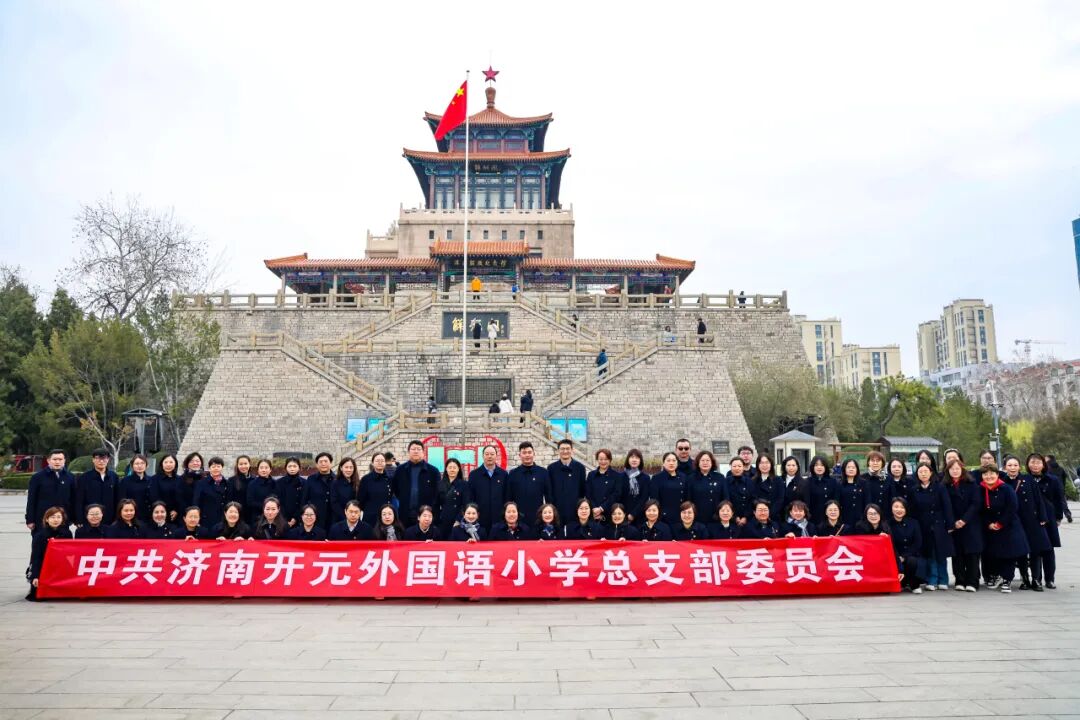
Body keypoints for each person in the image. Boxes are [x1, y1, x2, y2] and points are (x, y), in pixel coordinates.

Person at [1002, 455, 1050, 591]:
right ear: (1005, 467)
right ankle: (1025, 579)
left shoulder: (1028, 479)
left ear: (1020, 467)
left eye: (1015, 465)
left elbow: (1038, 499)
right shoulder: (1003, 482)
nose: (1012, 468)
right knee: (1020, 551)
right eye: (1009, 465)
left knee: (1035, 550)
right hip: (1014, 522)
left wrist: (1043, 517)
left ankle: (1036, 580)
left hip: (1031, 520)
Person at [979, 462, 1029, 593]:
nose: (989, 476)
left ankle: (1007, 579)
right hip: (990, 527)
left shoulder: (1006, 488)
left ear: (997, 474)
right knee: (993, 554)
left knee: (1009, 554)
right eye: (985, 474)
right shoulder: (980, 489)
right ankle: (996, 576)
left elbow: (1012, 507)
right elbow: (980, 509)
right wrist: (988, 523)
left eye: (992, 474)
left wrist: (1000, 523)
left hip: (1008, 526)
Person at [909, 461, 955, 591]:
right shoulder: (914, 489)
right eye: (920, 472)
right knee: (929, 554)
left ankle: (943, 580)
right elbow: (912, 510)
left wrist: (950, 524)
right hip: (923, 525)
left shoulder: (940, 487)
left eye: (925, 471)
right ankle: (932, 580)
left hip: (939, 524)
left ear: (931, 473)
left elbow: (947, 506)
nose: (923, 474)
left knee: (941, 553)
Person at [944, 459, 982, 592]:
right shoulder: (945, 485)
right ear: (948, 471)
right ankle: (959, 580)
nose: (955, 471)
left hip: (970, 522)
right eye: (952, 469)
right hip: (954, 523)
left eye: (957, 468)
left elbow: (976, 503)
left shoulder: (971, 483)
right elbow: (945, 505)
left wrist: (964, 520)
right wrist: (953, 522)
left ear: (962, 469)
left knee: (972, 554)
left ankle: (973, 581)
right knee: (957, 554)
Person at [1029, 453, 1064, 589]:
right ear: (1028, 464)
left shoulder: (1052, 480)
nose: (1035, 465)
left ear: (1043, 464)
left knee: (1049, 549)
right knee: (1035, 550)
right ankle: (1036, 579)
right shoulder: (1025, 479)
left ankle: (1050, 579)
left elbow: (1059, 499)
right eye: (1032, 462)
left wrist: (1058, 517)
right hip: (1032, 519)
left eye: (1038, 462)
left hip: (1049, 517)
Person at [26, 506, 72, 601]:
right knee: (38, 595)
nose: (56, 520)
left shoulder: (67, 534)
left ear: (62, 519)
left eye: (59, 517)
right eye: (52, 517)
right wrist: (35, 576)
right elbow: (36, 558)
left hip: (60, 566)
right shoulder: (40, 535)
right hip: (44, 566)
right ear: (47, 519)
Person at [25, 449, 74, 533]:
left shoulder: (70, 477)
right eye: (54, 459)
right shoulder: (37, 477)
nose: (57, 462)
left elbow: (73, 499)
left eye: (60, 459)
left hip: (63, 520)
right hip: (42, 520)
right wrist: (30, 519)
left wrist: (74, 518)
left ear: (64, 460)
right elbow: (31, 499)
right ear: (48, 460)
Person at [393, 440, 440, 525]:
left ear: (423, 452)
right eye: (413, 449)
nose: (416, 451)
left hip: (425, 515)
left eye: (418, 449)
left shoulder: (433, 471)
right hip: (405, 513)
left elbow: (437, 492)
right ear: (408, 451)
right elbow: (396, 490)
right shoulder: (400, 470)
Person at [507, 442, 550, 526]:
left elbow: (548, 496)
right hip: (518, 518)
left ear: (534, 454)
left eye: (529, 452)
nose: (527, 455)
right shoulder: (513, 474)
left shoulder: (543, 472)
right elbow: (509, 498)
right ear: (519, 455)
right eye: (524, 453)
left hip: (538, 518)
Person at [468, 445, 508, 532]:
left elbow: (506, 497)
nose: (489, 456)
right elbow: (470, 497)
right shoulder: (474, 475)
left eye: (492, 454)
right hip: (480, 520)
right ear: (483, 456)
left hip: (499, 519)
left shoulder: (503, 474)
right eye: (487, 454)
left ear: (496, 456)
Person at [76, 448, 118, 527]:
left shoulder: (113, 477)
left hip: (109, 519)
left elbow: (117, 498)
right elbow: (79, 500)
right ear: (93, 460)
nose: (101, 461)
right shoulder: (84, 477)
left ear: (108, 459)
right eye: (98, 458)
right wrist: (79, 519)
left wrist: (117, 518)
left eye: (104, 458)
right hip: (90, 518)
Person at [889, 498, 924, 593]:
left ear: (906, 509)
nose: (899, 510)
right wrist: (898, 557)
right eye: (896, 507)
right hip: (894, 554)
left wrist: (904, 556)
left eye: (902, 507)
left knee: (912, 561)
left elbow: (918, 543)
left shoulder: (914, 522)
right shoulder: (887, 524)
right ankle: (901, 583)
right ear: (891, 508)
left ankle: (913, 585)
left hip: (910, 554)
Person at [549, 440, 588, 524]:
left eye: (567, 448)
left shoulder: (580, 468)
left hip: (575, 509)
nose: (565, 451)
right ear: (558, 450)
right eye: (562, 449)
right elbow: (550, 490)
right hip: (557, 509)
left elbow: (582, 490)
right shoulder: (551, 468)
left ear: (572, 450)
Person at [688, 450, 726, 525]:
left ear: (712, 462)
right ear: (698, 463)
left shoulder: (720, 477)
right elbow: (689, 499)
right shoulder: (691, 479)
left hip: (716, 518)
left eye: (708, 460)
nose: (705, 463)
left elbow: (725, 498)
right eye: (702, 460)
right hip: (698, 519)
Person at [358, 452, 395, 527]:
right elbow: (360, 499)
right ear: (372, 463)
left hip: (385, 517)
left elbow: (390, 497)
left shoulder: (389, 479)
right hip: (370, 516)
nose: (380, 463)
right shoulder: (366, 479)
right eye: (377, 461)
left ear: (385, 463)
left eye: (382, 461)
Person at [193, 457, 230, 530]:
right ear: (209, 468)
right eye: (213, 466)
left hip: (222, 518)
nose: (216, 468)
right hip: (206, 518)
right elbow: (196, 501)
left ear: (222, 468)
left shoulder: (227, 483)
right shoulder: (201, 483)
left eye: (218, 466)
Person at [585, 449, 621, 522]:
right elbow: (588, 493)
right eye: (601, 459)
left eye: (606, 459)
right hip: (594, 513)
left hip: (610, 513)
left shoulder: (617, 476)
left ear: (610, 460)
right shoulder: (591, 475)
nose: (603, 461)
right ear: (597, 460)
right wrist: (594, 508)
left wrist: (601, 508)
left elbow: (616, 494)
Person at [302, 452, 335, 531]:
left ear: (331, 463)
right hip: (315, 518)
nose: (323, 464)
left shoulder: (337, 479)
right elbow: (305, 499)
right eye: (320, 462)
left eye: (326, 461)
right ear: (317, 465)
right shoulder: (311, 479)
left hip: (333, 519)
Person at [435, 458, 467, 537]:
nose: (452, 470)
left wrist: (459, 520)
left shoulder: (464, 484)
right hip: (443, 520)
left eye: (454, 467)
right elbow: (435, 504)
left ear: (458, 469)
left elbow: (465, 504)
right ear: (446, 469)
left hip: (457, 521)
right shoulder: (440, 484)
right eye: (450, 467)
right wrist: (437, 519)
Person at [652, 452, 687, 525]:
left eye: (674, 460)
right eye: (668, 460)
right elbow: (654, 499)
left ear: (677, 463)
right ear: (663, 463)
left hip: (682, 516)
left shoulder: (683, 477)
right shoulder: (657, 478)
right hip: (664, 518)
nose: (671, 463)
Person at [151, 454, 183, 524]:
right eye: (166, 462)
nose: (168, 464)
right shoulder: (154, 479)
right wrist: (162, 511)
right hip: (159, 514)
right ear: (162, 464)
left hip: (175, 515)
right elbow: (154, 496)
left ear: (175, 464)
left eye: (171, 462)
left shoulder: (180, 479)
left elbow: (181, 497)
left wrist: (176, 510)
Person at [122, 454, 154, 523]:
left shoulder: (152, 480)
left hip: (149, 516)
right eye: (136, 463)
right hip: (132, 516)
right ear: (132, 466)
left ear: (147, 465)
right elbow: (122, 500)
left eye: (142, 463)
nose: (140, 466)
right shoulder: (125, 481)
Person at [622, 449, 651, 524]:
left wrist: (633, 514)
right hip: (622, 515)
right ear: (628, 459)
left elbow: (644, 498)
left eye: (637, 458)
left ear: (640, 460)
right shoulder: (621, 476)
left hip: (639, 515)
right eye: (632, 457)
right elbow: (618, 496)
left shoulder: (645, 478)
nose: (634, 460)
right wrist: (623, 513)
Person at [752, 454, 785, 520]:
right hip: (757, 517)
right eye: (762, 463)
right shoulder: (753, 481)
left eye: (767, 463)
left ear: (771, 465)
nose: (764, 465)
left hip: (774, 516)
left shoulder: (778, 480)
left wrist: (769, 514)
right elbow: (752, 499)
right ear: (758, 465)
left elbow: (780, 499)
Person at [329, 457, 360, 527]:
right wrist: (346, 517)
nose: (349, 470)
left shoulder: (357, 482)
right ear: (341, 468)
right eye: (346, 467)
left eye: (351, 467)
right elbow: (334, 503)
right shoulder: (335, 483)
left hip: (355, 519)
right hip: (340, 519)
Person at [246, 459, 278, 527]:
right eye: (261, 468)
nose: (264, 470)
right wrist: (265, 508)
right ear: (258, 470)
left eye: (266, 468)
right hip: (257, 517)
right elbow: (250, 502)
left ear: (270, 469)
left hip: (273, 516)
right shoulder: (252, 484)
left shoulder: (275, 483)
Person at [837, 459, 868, 527]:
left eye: (853, 467)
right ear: (844, 469)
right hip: (844, 519)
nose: (851, 469)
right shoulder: (839, 484)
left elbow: (867, 501)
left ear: (857, 469)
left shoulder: (863, 483)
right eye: (848, 467)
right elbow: (837, 502)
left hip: (861, 519)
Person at [277, 457, 306, 527]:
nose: (292, 469)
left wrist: (295, 518)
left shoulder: (304, 483)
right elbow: (278, 501)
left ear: (299, 468)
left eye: (294, 466)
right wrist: (284, 518)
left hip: (299, 518)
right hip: (282, 518)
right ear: (285, 468)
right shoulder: (279, 482)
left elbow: (304, 501)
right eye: (289, 466)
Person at [1044, 455, 1073, 523]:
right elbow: (1064, 478)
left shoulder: (1046, 468)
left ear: (1049, 459)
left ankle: (1053, 516)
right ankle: (1067, 513)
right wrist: (1063, 487)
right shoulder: (1060, 468)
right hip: (1060, 487)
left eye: (1045, 458)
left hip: (1050, 488)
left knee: (1051, 502)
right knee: (1062, 502)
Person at [725, 456, 753, 525]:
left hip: (748, 518)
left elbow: (752, 499)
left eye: (739, 466)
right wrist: (734, 517)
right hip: (730, 517)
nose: (737, 468)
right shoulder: (725, 482)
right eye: (734, 466)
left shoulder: (749, 481)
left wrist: (746, 517)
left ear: (743, 467)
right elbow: (726, 500)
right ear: (730, 467)